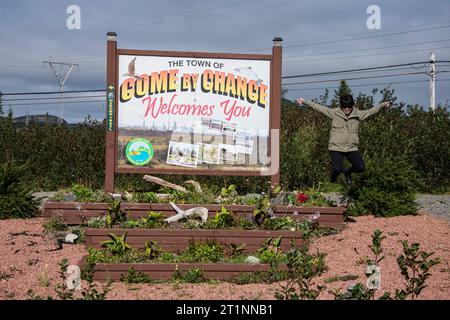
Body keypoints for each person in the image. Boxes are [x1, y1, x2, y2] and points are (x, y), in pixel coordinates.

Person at [296, 94, 391, 184]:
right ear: (341, 106)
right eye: (344, 107)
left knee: (361, 167)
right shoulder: (334, 113)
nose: (347, 109)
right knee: (337, 169)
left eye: (349, 107)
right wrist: (304, 101)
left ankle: (347, 172)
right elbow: (319, 108)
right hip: (336, 148)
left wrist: (383, 104)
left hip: (351, 148)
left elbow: (371, 111)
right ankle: (334, 175)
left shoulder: (358, 114)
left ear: (352, 106)